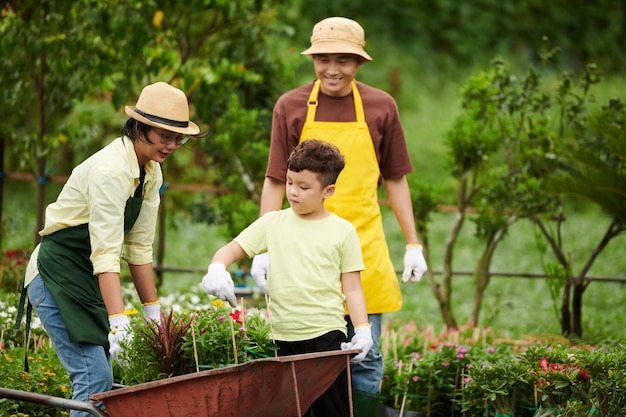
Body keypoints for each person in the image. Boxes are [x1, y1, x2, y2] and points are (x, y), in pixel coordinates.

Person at [250, 16, 428, 417]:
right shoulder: (291, 106)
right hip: (302, 252)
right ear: (312, 59)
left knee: (365, 355)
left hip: (362, 247)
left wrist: (413, 243)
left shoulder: (381, 106)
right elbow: (276, 179)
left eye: (344, 60)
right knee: (305, 358)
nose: (333, 68)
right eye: (323, 58)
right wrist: (263, 247)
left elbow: (396, 179)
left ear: (360, 62)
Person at [21, 81, 200, 416]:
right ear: (141, 127)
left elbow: (139, 247)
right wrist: (119, 322)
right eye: (166, 136)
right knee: (94, 380)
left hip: (85, 280)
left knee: (99, 380)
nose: (173, 145)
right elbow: (105, 254)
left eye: (179, 138)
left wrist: (152, 314)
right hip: (55, 277)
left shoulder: (151, 172)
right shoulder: (111, 171)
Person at [201, 139, 373, 417]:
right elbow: (230, 250)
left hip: (326, 339)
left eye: (304, 187)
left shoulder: (343, 231)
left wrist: (363, 329)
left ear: (328, 190)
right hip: (283, 339)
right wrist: (217, 268)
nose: (293, 192)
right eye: (290, 182)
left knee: (335, 412)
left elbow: (352, 288)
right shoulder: (273, 222)